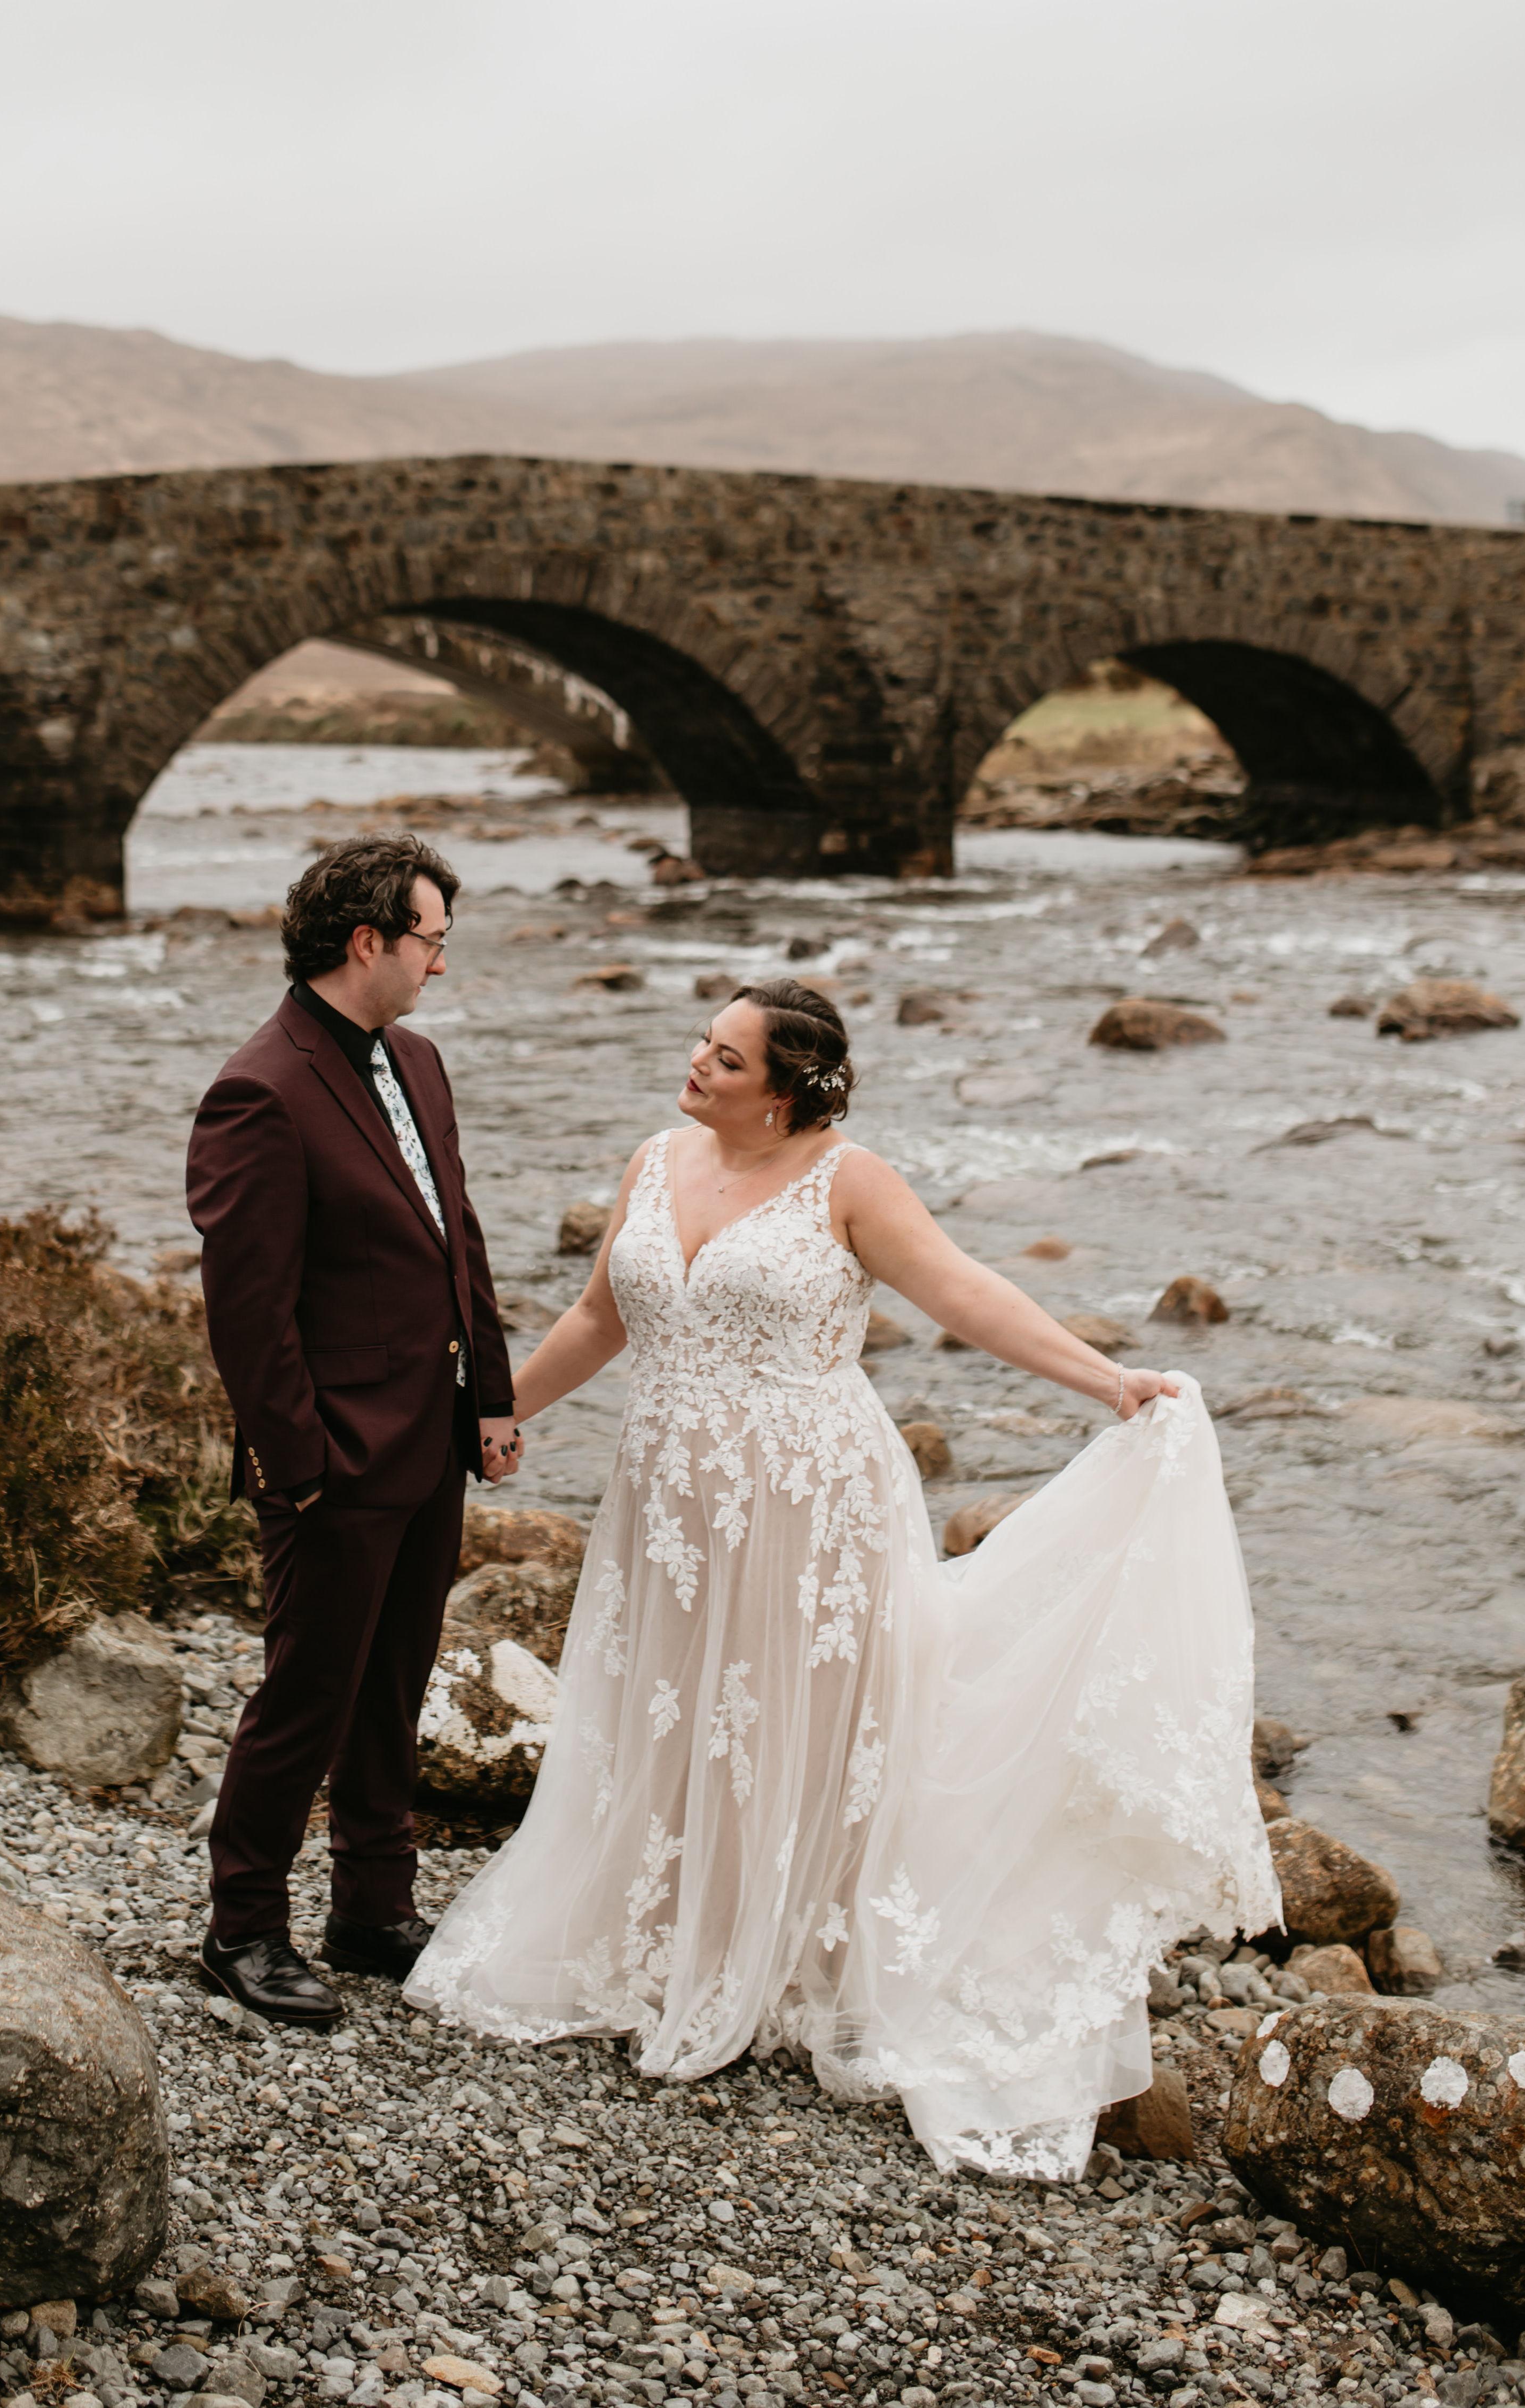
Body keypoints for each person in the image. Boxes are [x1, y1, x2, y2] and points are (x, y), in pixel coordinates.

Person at [404, 977, 1280, 2174]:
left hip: (812, 1499)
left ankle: (796, 1960)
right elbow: (604, 1313)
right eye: (702, 1044)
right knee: (672, 1711)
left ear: (783, 1092)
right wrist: (492, 1416)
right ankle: (677, 1942)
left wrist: (1106, 1381)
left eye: (723, 1057)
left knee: (801, 1722)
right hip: (668, 1499)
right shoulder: (657, 1158)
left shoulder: (851, 1180)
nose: (696, 1064)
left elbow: (963, 1292)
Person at [186, 831, 526, 2028]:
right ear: (366, 940)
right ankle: (243, 1927)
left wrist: (491, 1394)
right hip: (333, 1455)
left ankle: (373, 1909)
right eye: (430, 940)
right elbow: (249, 1312)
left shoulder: (417, 1062)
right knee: (307, 1693)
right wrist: (303, 1466)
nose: (441, 964)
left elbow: (456, 1237)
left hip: (432, 1435)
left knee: (394, 1682)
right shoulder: (260, 1088)